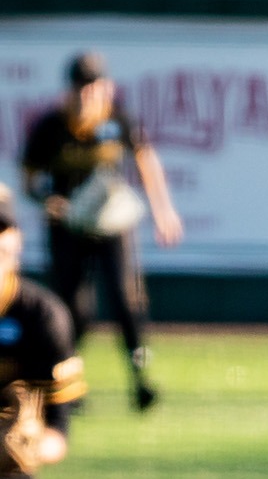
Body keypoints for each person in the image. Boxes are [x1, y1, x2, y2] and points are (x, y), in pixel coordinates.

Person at [19, 50, 181, 413]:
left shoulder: (116, 120)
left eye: (94, 86)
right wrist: (46, 199)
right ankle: (66, 386)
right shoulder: (51, 126)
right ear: (70, 90)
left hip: (111, 224)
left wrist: (163, 210)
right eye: (81, 87)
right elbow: (29, 179)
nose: (88, 94)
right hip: (69, 225)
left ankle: (141, 381)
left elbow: (145, 158)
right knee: (73, 309)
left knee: (126, 301)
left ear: (106, 88)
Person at [0, 185, 87, 479]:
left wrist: (32, 445)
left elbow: (60, 431)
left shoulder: (40, 315)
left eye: (2, 230)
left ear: (15, 242)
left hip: (9, 478)